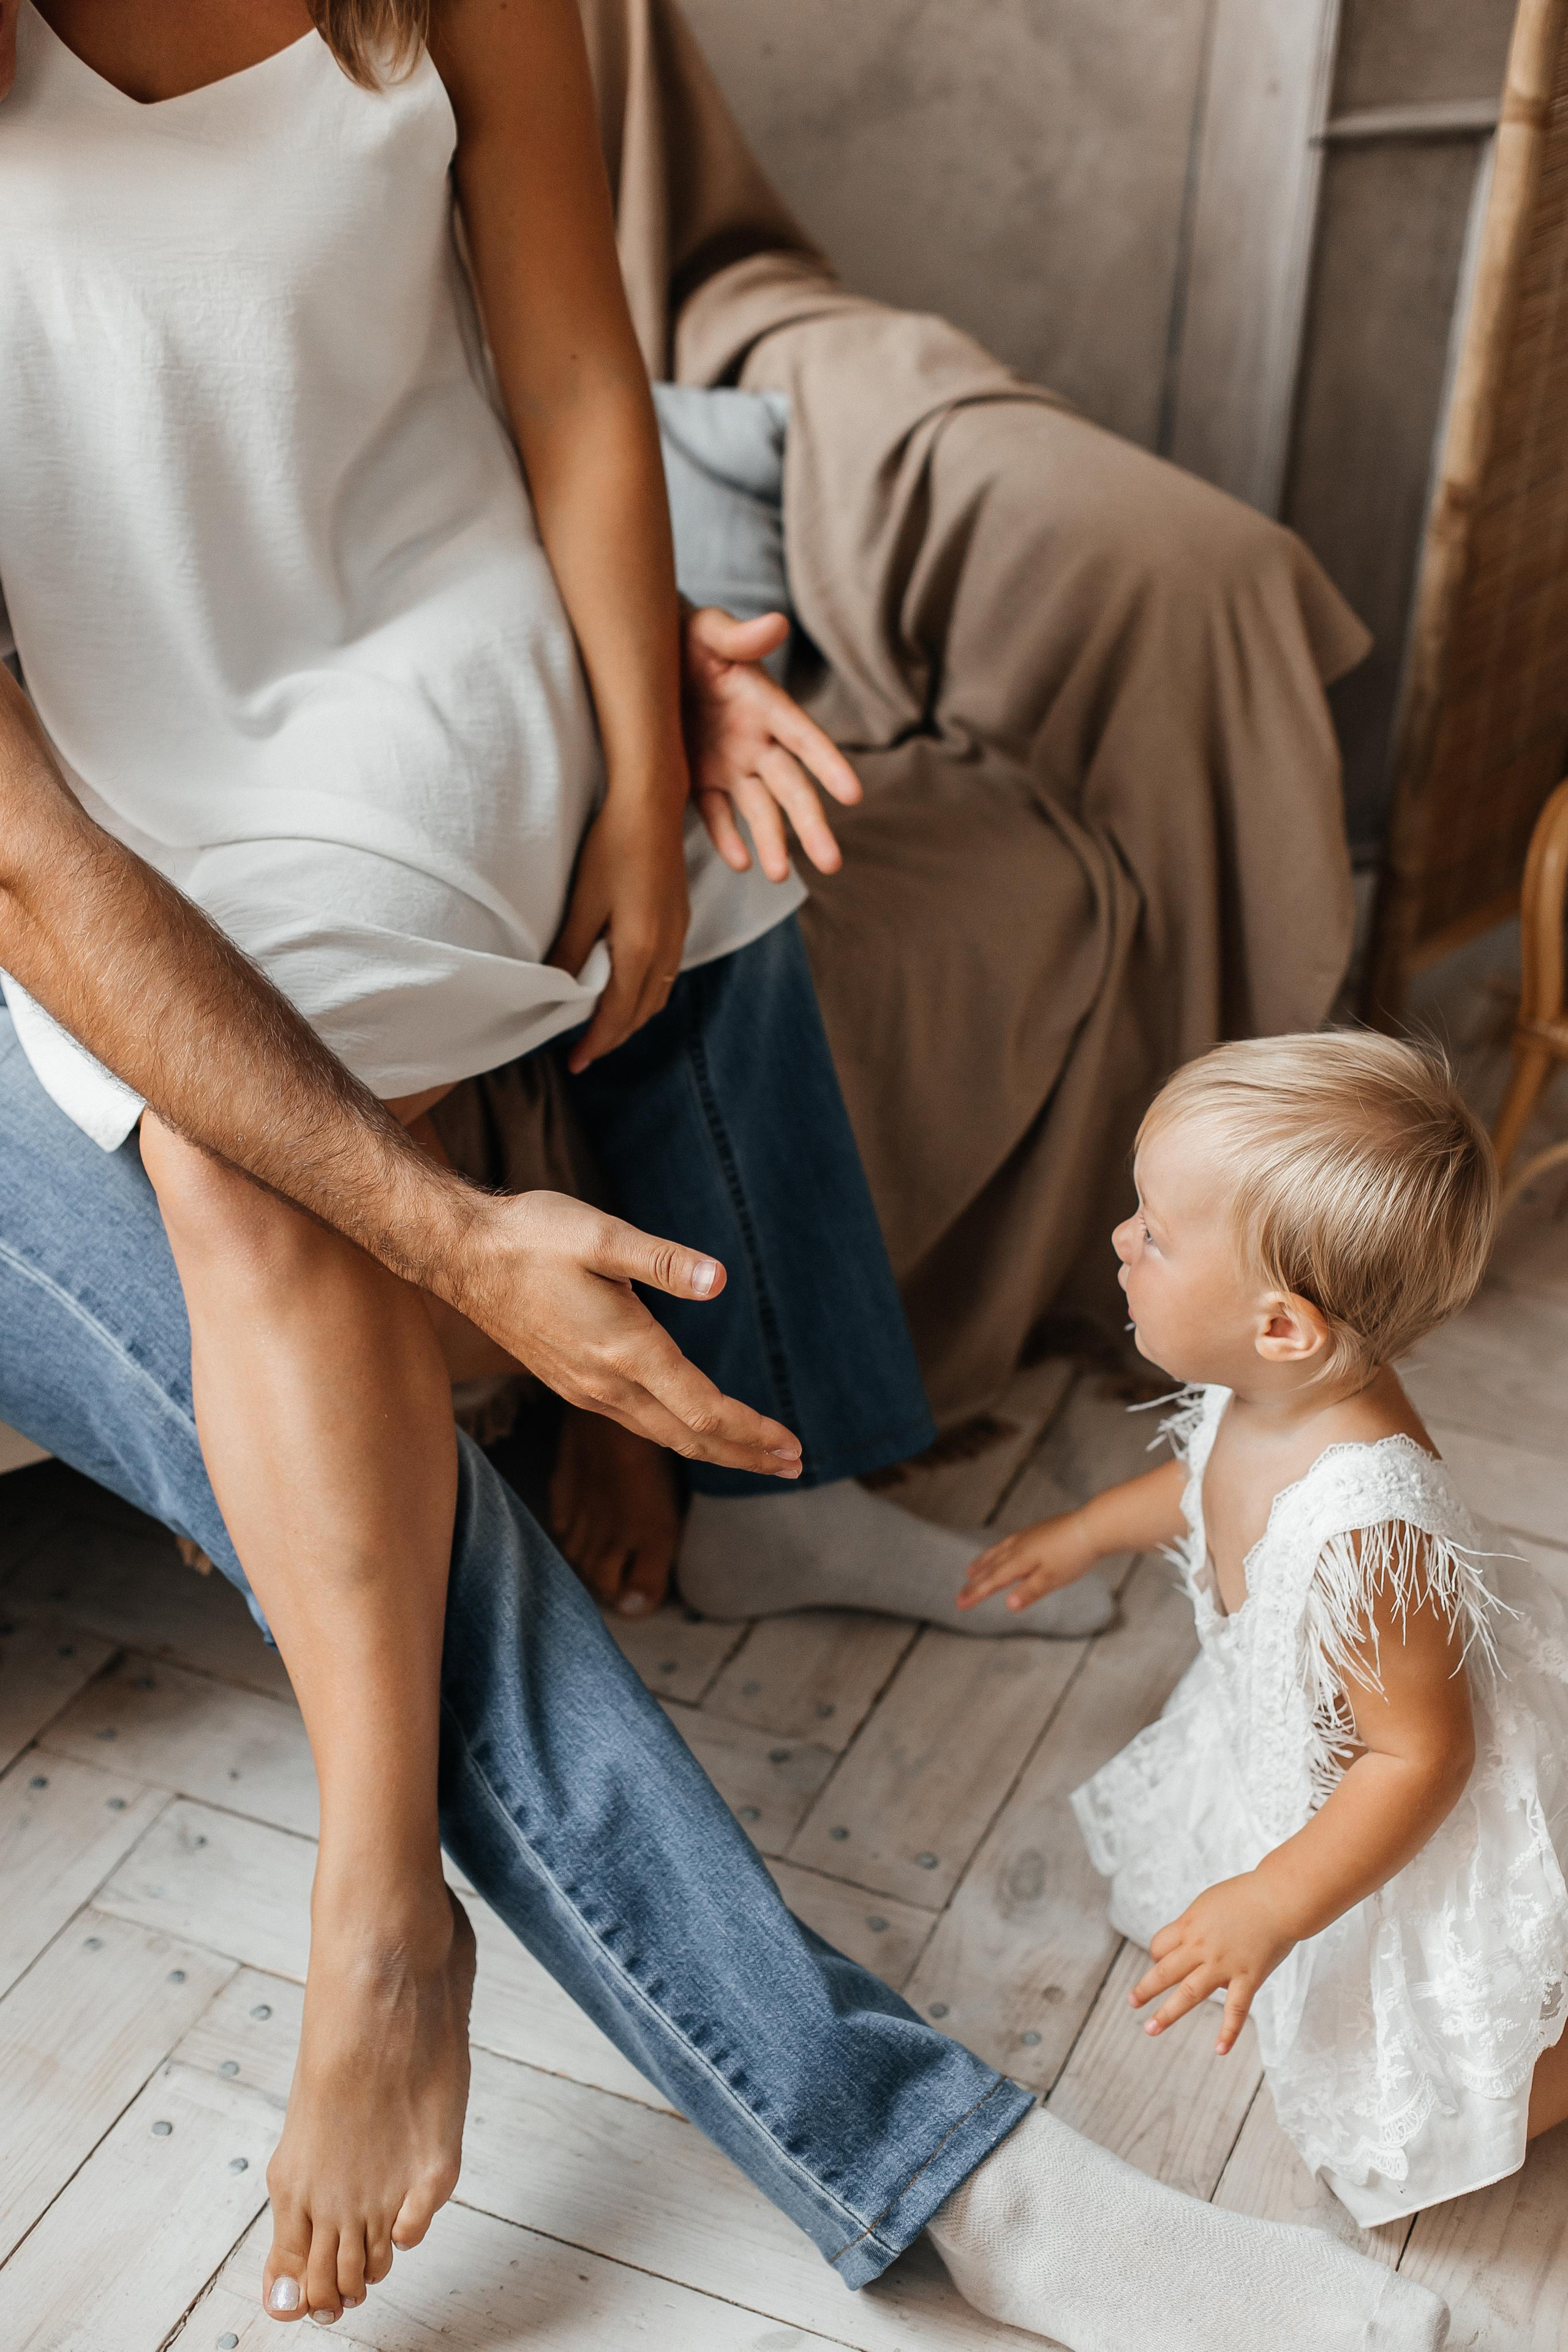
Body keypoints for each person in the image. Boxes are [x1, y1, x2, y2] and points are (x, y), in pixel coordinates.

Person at [0, 6, 1446, 2345]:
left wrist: (640, 724)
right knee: (251, 1168)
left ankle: (749, 1491)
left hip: (416, 641)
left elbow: (577, 382)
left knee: (726, 838)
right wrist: (451, 1229)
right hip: (93, 771)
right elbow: (26, 843)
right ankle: (422, 1922)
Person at [961, 1032, 1568, 2223]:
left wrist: (1276, 1902)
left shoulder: (1365, 1536)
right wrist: (1085, 1530)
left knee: (1421, 2118)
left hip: (1389, 1806)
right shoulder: (1271, 1389)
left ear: (1280, 1325)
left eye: (1153, 1231)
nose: (1120, 1242)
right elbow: (1203, 1482)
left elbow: (1419, 1756)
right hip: (1298, 1751)